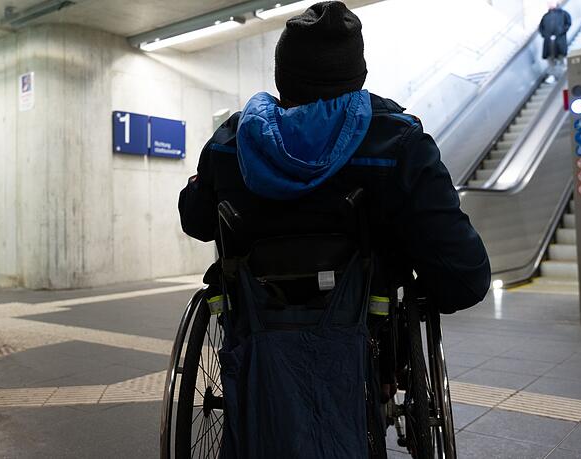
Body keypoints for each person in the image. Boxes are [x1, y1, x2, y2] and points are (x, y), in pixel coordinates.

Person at [179, 1, 490, 315]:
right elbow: (464, 278)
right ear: (356, 76)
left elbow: (196, 222)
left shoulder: (230, 142)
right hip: (366, 332)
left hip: (254, 337)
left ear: (281, 76)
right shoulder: (396, 141)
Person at [539, 1, 572, 83]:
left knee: (561, 59)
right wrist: (545, 35)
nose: (550, 4)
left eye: (551, 2)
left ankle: (564, 76)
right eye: (548, 2)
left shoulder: (563, 14)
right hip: (548, 42)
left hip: (560, 41)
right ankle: (553, 76)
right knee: (550, 60)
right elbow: (541, 28)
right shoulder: (545, 16)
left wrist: (561, 31)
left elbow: (568, 23)